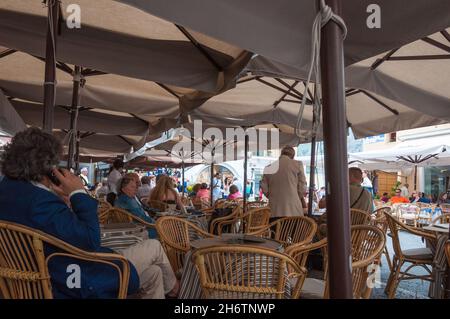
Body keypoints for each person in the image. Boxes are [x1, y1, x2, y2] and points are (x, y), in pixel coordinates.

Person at [0, 127, 178, 299]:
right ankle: (177, 292)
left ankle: (172, 291)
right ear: (47, 166)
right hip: (71, 280)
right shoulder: (40, 202)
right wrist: (79, 193)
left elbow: (58, 231)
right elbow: (90, 241)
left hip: (42, 276)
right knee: (154, 246)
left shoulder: (10, 192)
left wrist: (63, 201)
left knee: (153, 274)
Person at [261, 146, 307, 221]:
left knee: (276, 232)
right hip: (293, 210)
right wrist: (295, 196)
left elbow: (264, 188)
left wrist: (273, 197)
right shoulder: (297, 164)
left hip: (274, 210)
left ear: (281, 153)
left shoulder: (268, 168)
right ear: (293, 156)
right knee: (293, 232)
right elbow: (303, 185)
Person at [115, 174, 158, 238]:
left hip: (136, 227)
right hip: (140, 229)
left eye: (135, 186)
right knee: (167, 229)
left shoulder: (123, 198)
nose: (136, 189)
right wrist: (156, 221)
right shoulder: (128, 201)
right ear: (123, 189)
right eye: (132, 187)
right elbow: (141, 218)